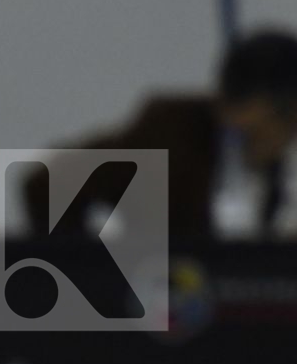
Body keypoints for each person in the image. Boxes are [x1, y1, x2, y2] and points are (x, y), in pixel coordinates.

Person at [23, 28, 297, 238]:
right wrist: (92, 275)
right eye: (282, 118)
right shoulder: (169, 134)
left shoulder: (275, 163)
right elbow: (49, 185)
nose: (287, 134)